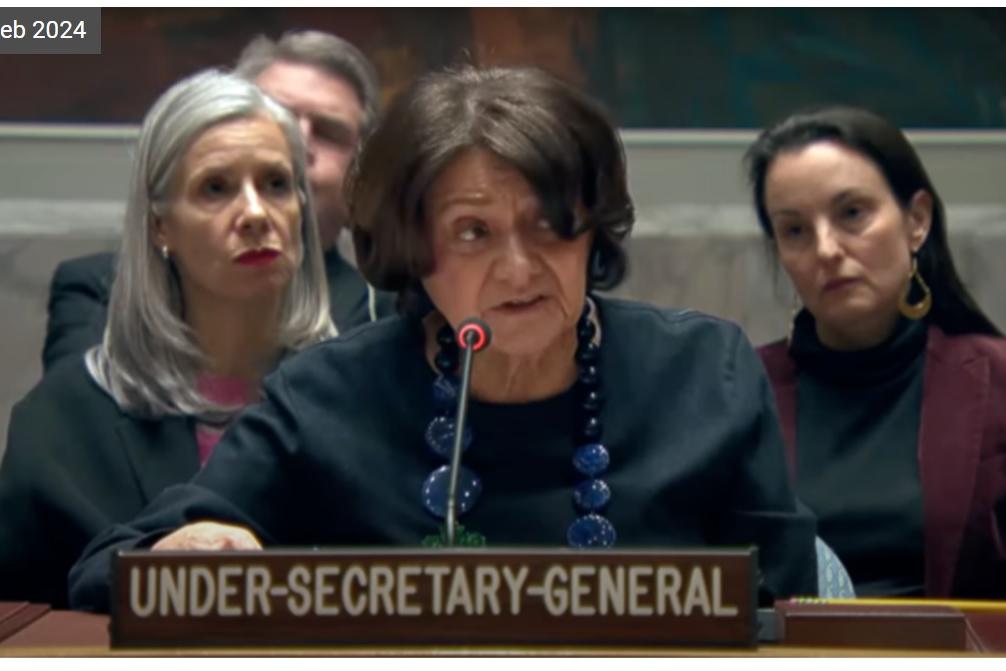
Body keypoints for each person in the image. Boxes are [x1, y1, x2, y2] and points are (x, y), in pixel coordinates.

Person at [69, 65, 817, 613]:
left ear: (593, 231)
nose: (519, 269)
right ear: (413, 249)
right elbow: (108, 568)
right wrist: (193, 547)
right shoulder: (328, 397)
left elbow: (787, 609)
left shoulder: (706, 373)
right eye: (473, 232)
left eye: (550, 226)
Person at [0, 69, 336, 607]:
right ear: (160, 225)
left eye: (276, 184)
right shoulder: (63, 419)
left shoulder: (356, 393)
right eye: (215, 188)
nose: (255, 214)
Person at [746, 105, 1006, 598]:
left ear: (917, 221)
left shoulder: (995, 378)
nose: (826, 248)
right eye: (795, 230)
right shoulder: (742, 392)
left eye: (852, 214)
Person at [42, 30, 393, 371]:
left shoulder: (385, 317)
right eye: (274, 117)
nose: (297, 145)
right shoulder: (99, 291)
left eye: (328, 133)